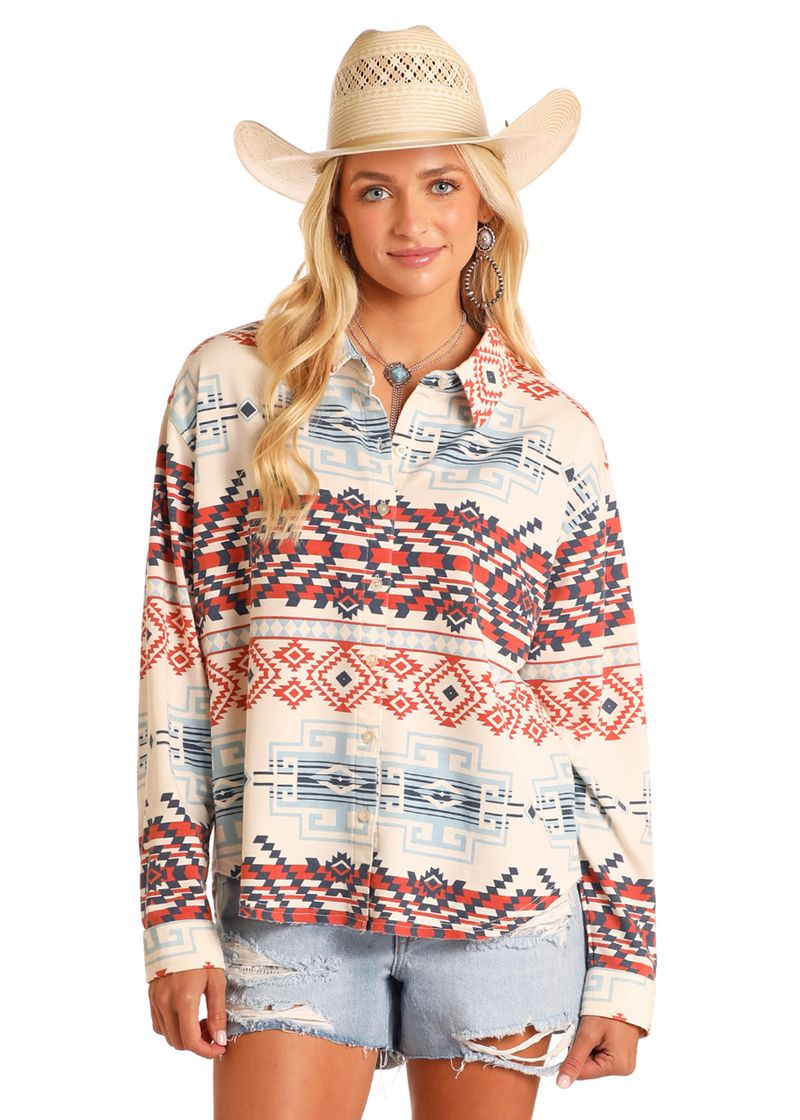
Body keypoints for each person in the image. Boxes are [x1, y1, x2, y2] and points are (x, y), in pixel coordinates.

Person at [137, 24, 657, 1120]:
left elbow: (594, 702)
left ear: (486, 206)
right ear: (335, 209)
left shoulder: (555, 433)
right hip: (286, 897)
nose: (411, 221)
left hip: (504, 908)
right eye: (375, 189)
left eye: (440, 184)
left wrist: (623, 961)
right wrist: (175, 918)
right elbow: (174, 661)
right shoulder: (230, 389)